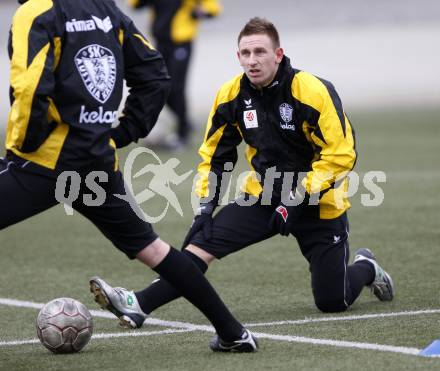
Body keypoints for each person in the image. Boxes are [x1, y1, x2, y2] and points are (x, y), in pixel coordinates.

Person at [96, 17, 394, 326]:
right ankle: (138, 304)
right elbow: (214, 157)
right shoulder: (231, 95)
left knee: (333, 301)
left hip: (319, 202)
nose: (252, 61)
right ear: (238, 57)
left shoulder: (313, 91)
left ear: (278, 54)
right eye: (246, 53)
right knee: (200, 247)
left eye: (260, 52)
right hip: (263, 196)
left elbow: (341, 154)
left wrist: (294, 199)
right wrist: (204, 208)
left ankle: (367, 267)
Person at [0, 0, 257, 353]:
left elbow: (30, 89)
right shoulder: (106, 9)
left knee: (151, 248)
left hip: (46, 162)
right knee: (152, 249)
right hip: (98, 162)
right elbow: (155, 74)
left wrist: (21, 149)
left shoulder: (36, 12)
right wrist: (121, 133)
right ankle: (233, 333)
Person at [128, 0, 222, 150]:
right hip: (160, 42)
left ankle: (182, 134)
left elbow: (213, 8)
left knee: (176, 88)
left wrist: (199, 12)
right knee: (161, 87)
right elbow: (135, 5)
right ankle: (186, 122)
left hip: (181, 42)